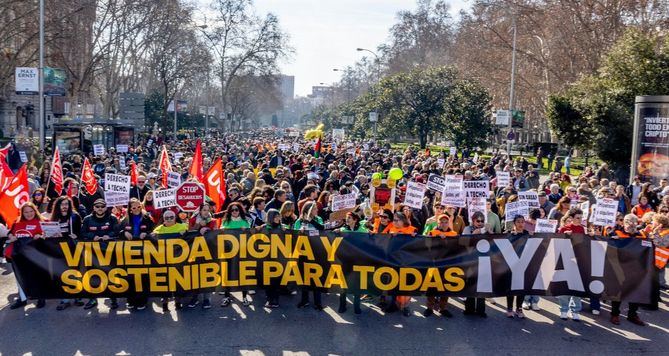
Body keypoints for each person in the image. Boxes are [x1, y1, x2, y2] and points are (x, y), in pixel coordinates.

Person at [607, 214, 645, 326]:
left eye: (634, 222)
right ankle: (615, 314)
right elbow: (608, 245)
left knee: (635, 292)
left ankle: (632, 315)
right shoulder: (616, 233)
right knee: (618, 292)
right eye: (628, 222)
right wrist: (612, 239)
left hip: (635, 269)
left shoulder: (641, 236)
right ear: (623, 222)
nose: (631, 224)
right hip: (619, 267)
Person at [7, 202, 45, 310]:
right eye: (26, 212)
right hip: (18, 255)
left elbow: (49, 235)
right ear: (22, 213)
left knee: (36, 276)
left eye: (31, 211)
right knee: (20, 277)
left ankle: (40, 297)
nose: (29, 214)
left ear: (35, 211)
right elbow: (10, 232)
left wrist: (41, 236)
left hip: (35, 255)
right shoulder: (17, 222)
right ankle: (22, 299)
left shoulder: (41, 222)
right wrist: (11, 236)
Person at [119, 198, 155, 310]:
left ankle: (142, 300)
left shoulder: (147, 218)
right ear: (130, 209)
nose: (136, 209)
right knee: (130, 276)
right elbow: (118, 233)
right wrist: (124, 233)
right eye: (134, 208)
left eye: (138, 206)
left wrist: (147, 234)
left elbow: (154, 232)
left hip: (144, 251)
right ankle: (131, 299)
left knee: (143, 276)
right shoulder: (125, 220)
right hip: (129, 251)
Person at [152, 209, 189, 311]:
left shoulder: (182, 227)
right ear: (163, 219)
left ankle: (178, 302)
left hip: (178, 260)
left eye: (171, 217)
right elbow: (152, 239)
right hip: (164, 261)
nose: (169, 219)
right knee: (165, 283)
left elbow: (191, 236)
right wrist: (152, 236)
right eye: (166, 218)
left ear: (175, 218)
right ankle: (164, 304)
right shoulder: (158, 230)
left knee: (178, 282)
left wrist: (185, 233)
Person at [50, 196, 83, 311]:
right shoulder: (54, 218)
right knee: (62, 273)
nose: (64, 207)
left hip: (73, 248)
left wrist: (77, 236)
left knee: (75, 272)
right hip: (59, 249)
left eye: (66, 204)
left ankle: (77, 296)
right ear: (58, 206)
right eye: (62, 204)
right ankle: (65, 299)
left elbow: (81, 232)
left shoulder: (75, 216)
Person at [424, 214, 457, 318]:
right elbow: (426, 244)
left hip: (447, 264)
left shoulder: (453, 234)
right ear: (437, 223)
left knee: (445, 287)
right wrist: (436, 237)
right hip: (433, 263)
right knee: (431, 286)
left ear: (449, 223)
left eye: (445, 222)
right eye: (441, 222)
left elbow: (457, 247)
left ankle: (443, 308)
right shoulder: (432, 233)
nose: (443, 224)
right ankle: (429, 308)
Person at [187, 203, 218, 309]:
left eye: (207, 210)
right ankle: (195, 297)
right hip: (195, 251)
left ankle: (206, 299)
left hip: (208, 252)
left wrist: (208, 230)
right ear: (200, 211)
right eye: (204, 210)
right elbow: (189, 232)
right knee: (195, 274)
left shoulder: (213, 221)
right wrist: (198, 225)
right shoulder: (192, 220)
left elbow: (215, 235)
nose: (206, 212)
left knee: (207, 275)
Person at [557, 208, 587, 320]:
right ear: (571, 218)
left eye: (581, 217)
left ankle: (575, 310)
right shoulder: (564, 229)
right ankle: (563, 309)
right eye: (577, 218)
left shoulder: (582, 229)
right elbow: (556, 244)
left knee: (577, 286)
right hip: (566, 260)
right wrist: (564, 235)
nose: (580, 220)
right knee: (564, 286)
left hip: (579, 261)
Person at [220, 202, 251, 307]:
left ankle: (244, 297)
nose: (234, 212)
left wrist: (246, 231)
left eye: (236, 210)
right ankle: (227, 296)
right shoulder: (225, 222)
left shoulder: (245, 221)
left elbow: (250, 235)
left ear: (240, 211)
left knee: (243, 275)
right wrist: (222, 230)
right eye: (232, 210)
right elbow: (220, 234)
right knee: (227, 275)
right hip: (228, 252)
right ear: (229, 211)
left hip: (241, 252)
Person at [294, 201, 324, 310]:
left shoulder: (318, 219)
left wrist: (311, 221)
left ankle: (318, 302)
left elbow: (322, 229)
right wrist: (300, 232)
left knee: (316, 278)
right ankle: (304, 300)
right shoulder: (299, 221)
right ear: (308, 211)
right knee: (304, 277)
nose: (317, 210)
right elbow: (294, 236)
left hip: (316, 253)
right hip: (303, 253)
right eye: (315, 209)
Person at [337, 212, 366, 314]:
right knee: (343, 284)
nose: (347, 219)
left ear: (355, 220)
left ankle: (357, 306)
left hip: (358, 261)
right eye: (346, 218)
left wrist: (371, 234)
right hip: (345, 261)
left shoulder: (362, 230)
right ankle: (342, 305)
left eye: (349, 218)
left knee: (357, 284)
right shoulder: (342, 230)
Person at [462, 211, 487, 317]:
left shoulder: (485, 229)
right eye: (478, 221)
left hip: (483, 261)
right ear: (473, 221)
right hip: (471, 260)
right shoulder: (467, 229)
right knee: (470, 285)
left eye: (482, 221)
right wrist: (473, 235)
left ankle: (481, 310)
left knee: (482, 286)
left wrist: (489, 232)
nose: (480, 223)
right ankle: (469, 309)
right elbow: (463, 243)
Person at [505, 215, 527, 319]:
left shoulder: (528, 234)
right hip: (511, 264)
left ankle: (519, 308)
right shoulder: (508, 234)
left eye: (522, 222)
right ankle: (509, 308)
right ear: (514, 223)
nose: (521, 224)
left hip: (523, 264)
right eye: (518, 222)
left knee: (521, 288)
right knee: (511, 287)